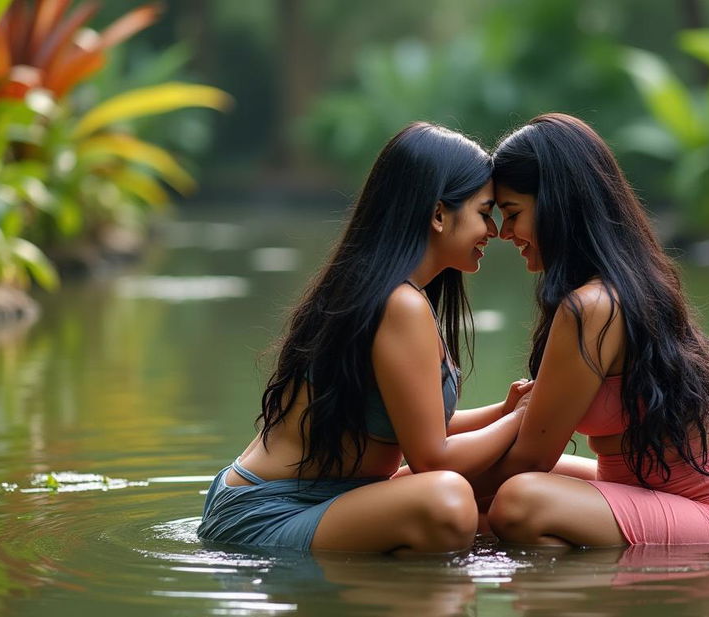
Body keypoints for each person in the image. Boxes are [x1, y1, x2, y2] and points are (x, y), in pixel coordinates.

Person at [198, 122, 531, 553]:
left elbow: (416, 427)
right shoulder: (399, 303)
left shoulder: (397, 293)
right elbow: (433, 459)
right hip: (267, 511)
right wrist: (523, 418)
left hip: (333, 499)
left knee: (514, 488)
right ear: (437, 214)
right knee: (447, 501)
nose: (493, 230)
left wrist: (504, 410)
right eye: (485, 212)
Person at [482, 113, 709, 546]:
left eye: (512, 213)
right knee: (488, 506)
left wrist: (408, 484)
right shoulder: (608, 289)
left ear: (558, 205)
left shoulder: (594, 305)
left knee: (518, 502)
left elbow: (529, 458)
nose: (503, 232)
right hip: (661, 492)